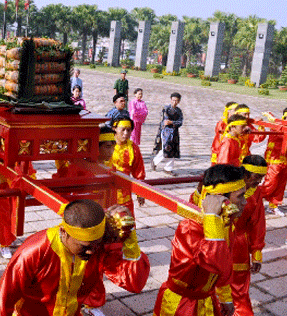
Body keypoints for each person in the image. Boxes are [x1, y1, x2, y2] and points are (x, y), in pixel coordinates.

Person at [0, 199, 150, 316]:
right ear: (63, 232)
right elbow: (2, 302)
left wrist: (130, 238)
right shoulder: (33, 252)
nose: (91, 253)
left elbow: (134, 283)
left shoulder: (97, 246)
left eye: (95, 245)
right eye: (84, 247)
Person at [153, 164, 247, 316]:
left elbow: (225, 266)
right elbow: (215, 262)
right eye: (240, 196)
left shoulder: (225, 223)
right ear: (221, 200)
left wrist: (225, 298)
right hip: (180, 305)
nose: (245, 202)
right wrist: (211, 218)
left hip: (207, 300)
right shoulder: (190, 229)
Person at [231, 155, 268, 316]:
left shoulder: (256, 192)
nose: (259, 181)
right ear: (245, 175)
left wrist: (256, 253)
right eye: (257, 177)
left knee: (239, 288)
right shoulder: (227, 186)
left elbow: (258, 224)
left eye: (262, 177)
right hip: (218, 241)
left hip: (239, 245)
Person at [260, 107, 287, 216]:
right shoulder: (277, 126)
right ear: (286, 116)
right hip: (274, 159)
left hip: (284, 159)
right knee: (270, 183)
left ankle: (273, 206)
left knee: (281, 183)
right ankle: (254, 200)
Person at [110, 117, 145, 211]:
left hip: (124, 193)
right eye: (123, 129)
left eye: (128, 130)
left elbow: (139, 172)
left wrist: (140, 192)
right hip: (106, 190)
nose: (126, 133)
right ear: (115, 129)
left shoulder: (133, 148)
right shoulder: (106, 145)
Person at [152, 92, 183, 176]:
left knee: (173, 150)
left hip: (175, 133)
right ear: (171, 99)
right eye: (173, 100)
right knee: (166, 148)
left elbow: (180, 122)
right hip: (166, 132)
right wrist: (172, 122)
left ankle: (168, 168)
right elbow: (165, 121)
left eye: (176, 100)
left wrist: (172, 122)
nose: (174, 102)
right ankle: (155, 161)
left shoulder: (179, 111)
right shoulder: (166, 109)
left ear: (179, 101)